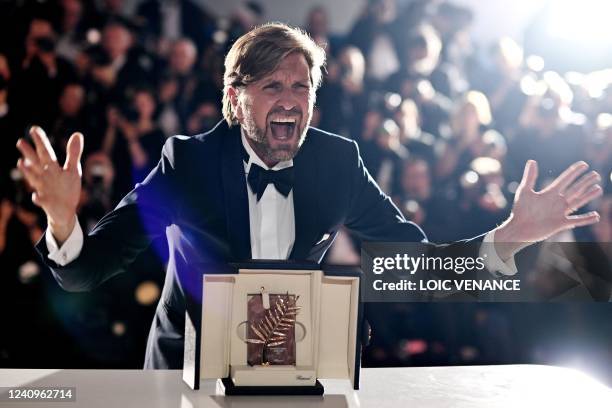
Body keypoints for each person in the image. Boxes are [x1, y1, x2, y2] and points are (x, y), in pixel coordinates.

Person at [15, 23, 603, 369]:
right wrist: (64, 220)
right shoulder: (187, 163)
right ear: (235, 97)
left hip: (299, 372)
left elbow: (414, 268)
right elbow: (84, 272)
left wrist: (511, 237)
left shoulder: (336, 161)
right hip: (189, 375)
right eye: (272, 86)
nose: (291, 100)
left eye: (302, 86)